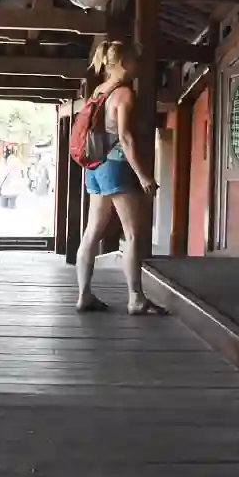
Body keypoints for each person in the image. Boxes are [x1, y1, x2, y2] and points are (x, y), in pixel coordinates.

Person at [75, 39, 167, 316]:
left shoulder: (98, 91)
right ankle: (136, 298)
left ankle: (84, 295)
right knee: (133, 233)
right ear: (125, 62)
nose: (138, 66)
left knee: (92, 232)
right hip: (115, 166)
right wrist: (143, 176)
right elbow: (125, 138)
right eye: (135, 60)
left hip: (94, 166)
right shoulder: (124, 93)